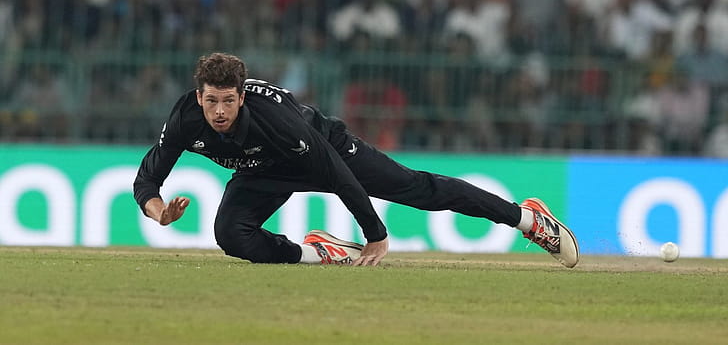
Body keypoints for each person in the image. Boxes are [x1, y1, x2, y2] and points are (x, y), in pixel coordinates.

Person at [133, 53, 579, 268]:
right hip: (262, 171)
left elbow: (336, 174)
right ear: (199, 97)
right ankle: (320, 253)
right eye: (211, 101)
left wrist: (376, 235)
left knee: (419, 191)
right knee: (231, 234)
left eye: (228, 101)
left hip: (323, 149)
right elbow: (148, 179)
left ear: (242, 97)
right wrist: (158, 212)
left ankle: (528, 220)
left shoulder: (277, 121)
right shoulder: (186, 118)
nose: (219, 112)